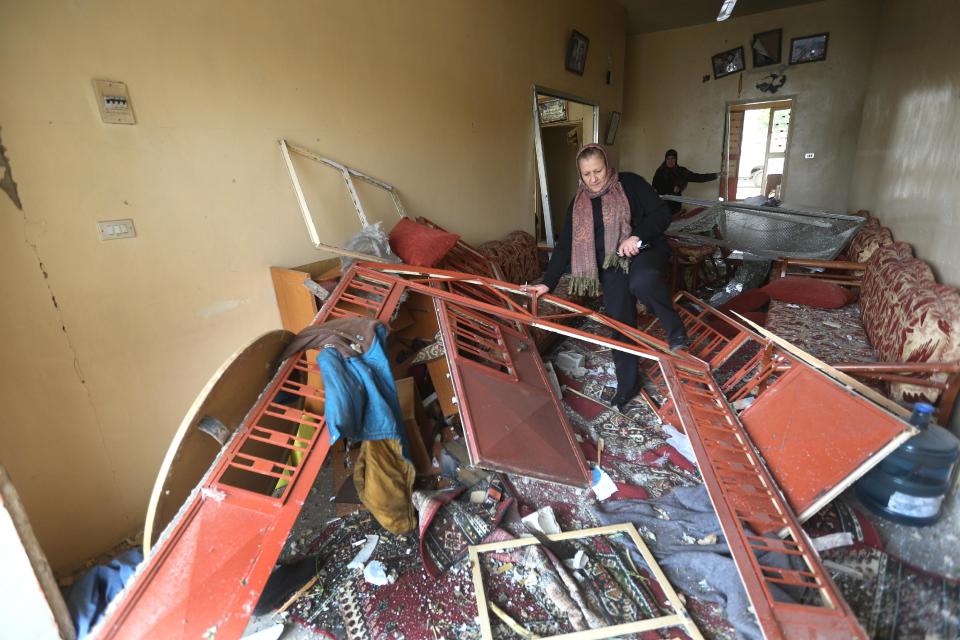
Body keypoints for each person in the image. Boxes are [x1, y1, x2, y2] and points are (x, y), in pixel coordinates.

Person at [527, 144, 689, 410]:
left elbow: (662, 213)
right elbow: (565, 245)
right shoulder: (578, 204)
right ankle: (628, 385)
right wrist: (547, 282)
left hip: (642, 251)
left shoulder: (630, 183)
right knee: (619, 324)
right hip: (612, 266)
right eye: (587, 174)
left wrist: (637, 236)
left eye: (598, 171)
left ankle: (676, 332)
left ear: (607, 165)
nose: (593, 179)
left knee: (642, 281)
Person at [652, 149, 719, 215]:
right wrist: (672, 188)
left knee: (675, 224)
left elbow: (697, 177)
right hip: (661, 206)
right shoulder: (660, 172)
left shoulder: (681, 171)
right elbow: (654, 188)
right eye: (668, 158)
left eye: (673, 158)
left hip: (675, 207)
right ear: (665, 159)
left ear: (676, 159)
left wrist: (716, 175)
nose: (670, 161)